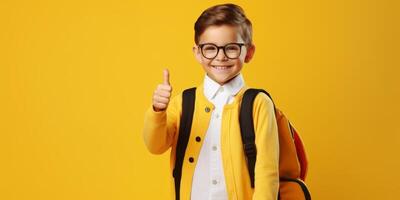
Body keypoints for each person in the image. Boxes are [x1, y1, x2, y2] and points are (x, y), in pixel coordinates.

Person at [143, 3, 279, 200]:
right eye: (210, 48)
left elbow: (267, 174)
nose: (220, 57)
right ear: (198, 52)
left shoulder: (258, 104)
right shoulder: (183, 103)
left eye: (231, 48)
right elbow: (155, 146)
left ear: (248, 52)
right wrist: (158, 110)